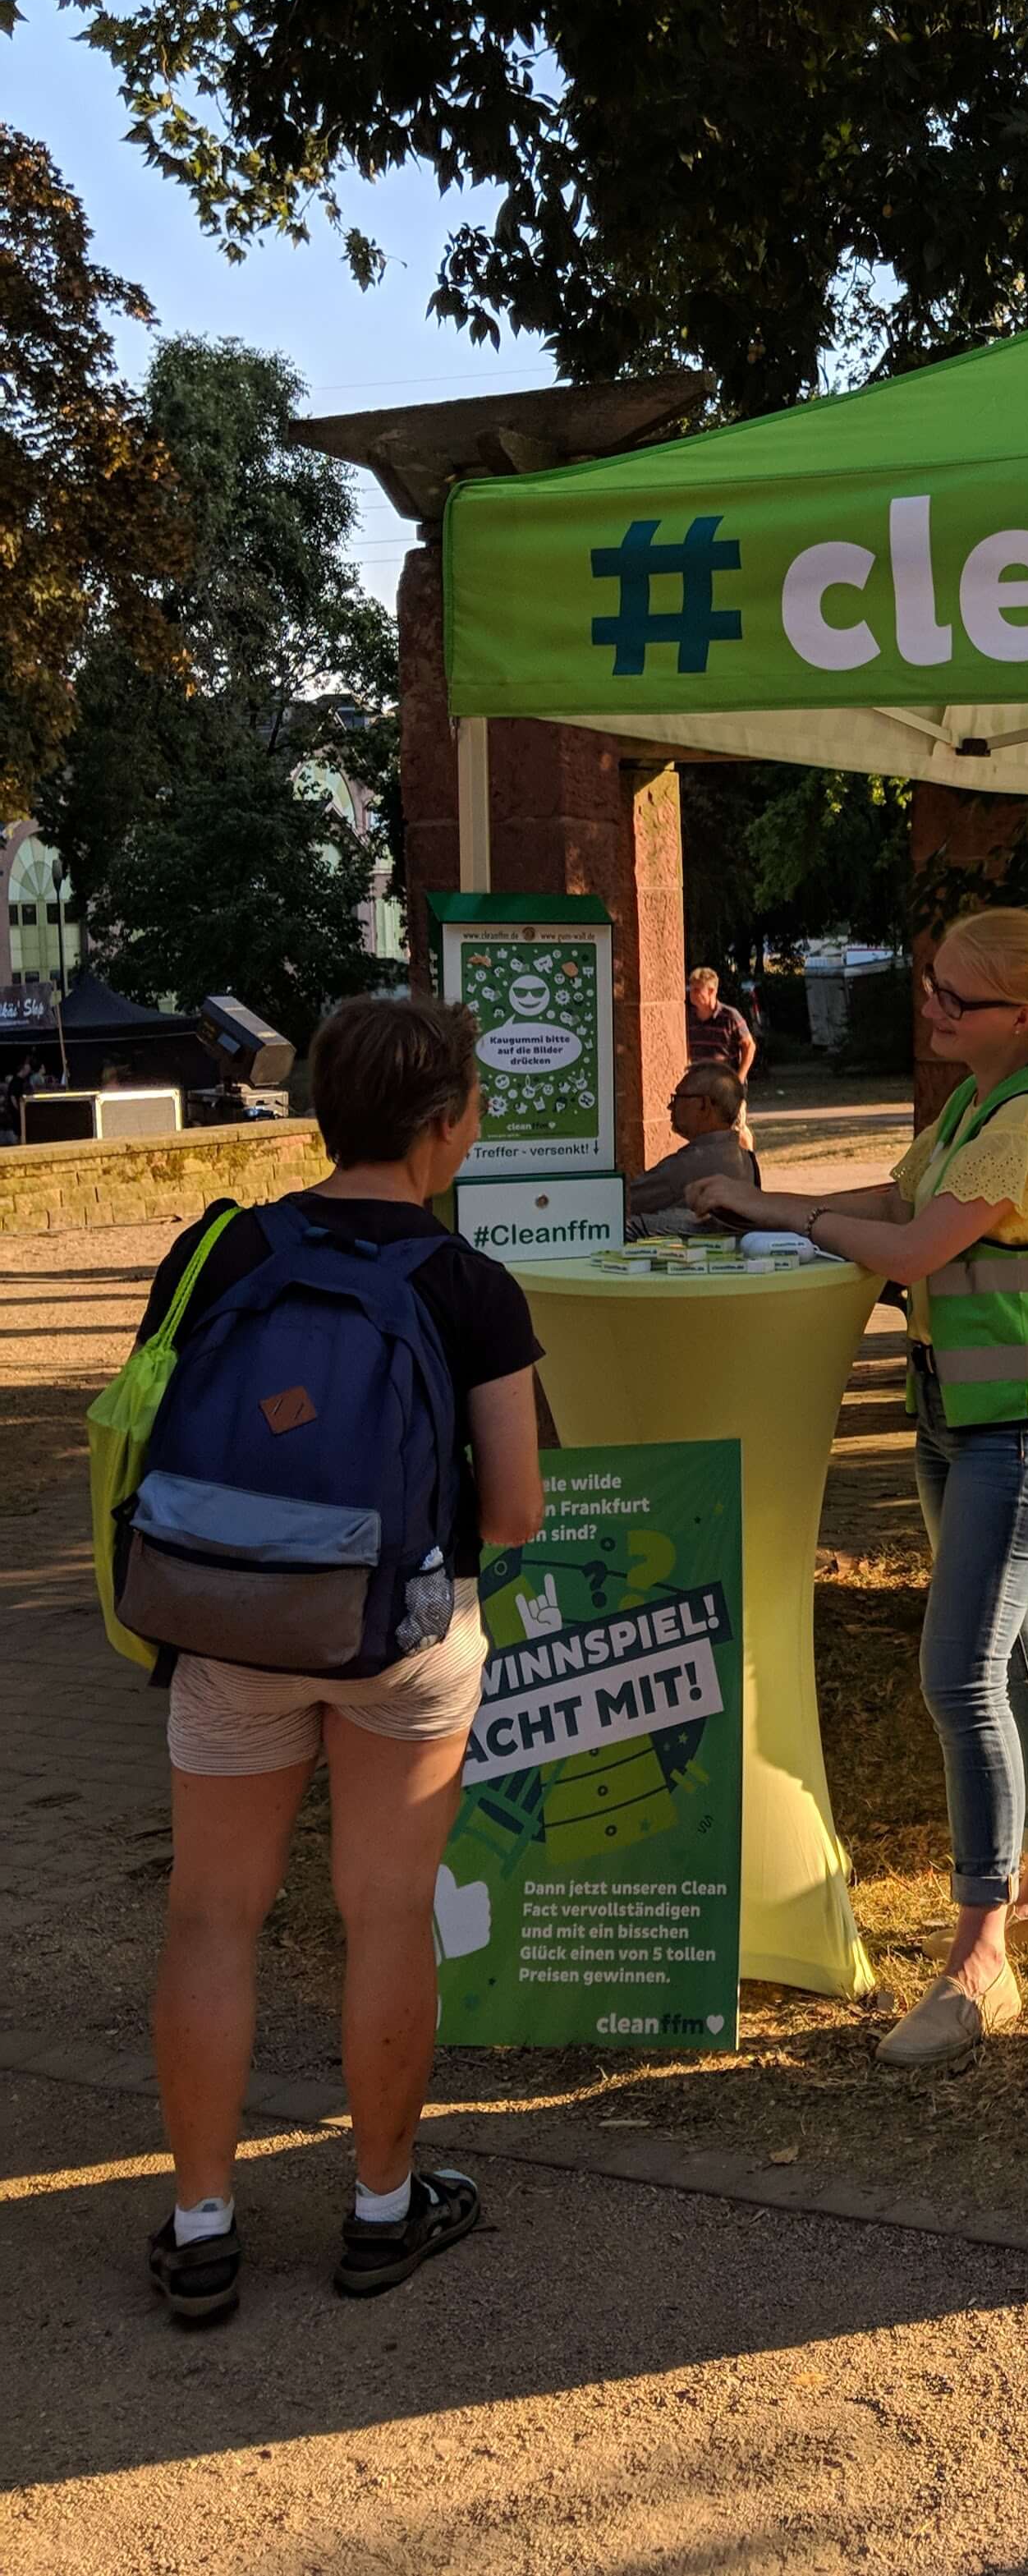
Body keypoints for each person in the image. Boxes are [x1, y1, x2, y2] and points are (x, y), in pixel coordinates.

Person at [135, 993, 544, 2320]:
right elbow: (512, 1515)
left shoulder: (220, 1253)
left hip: (225, 1617)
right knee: (384, 1912)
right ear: (446, 1127)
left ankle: (201, 2225)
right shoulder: (468, 1286)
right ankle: (380, 2207)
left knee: (210, 1915)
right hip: (402, 1640)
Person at [689, 906, 1028, 2072]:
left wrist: (784, 1218)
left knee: (960, 1676)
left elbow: (917, 1249)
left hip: (1013, 1435)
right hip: (965, 1416)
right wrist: (766, 1207)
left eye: (952, 998)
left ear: (1021, 1016)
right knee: (1016, 1654)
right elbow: (895, 1204)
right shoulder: (979, 1102)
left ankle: (983, 1959)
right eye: (929, 984)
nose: (927, 1007)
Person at [626, 1063, 760, 1235]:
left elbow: (620, 1203)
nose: (670, 1107)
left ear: (704, 1105)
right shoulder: (746, 1160)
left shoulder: (688, 1165)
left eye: (678, 1098)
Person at [685, 965, 755, 1081]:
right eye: (691, 989)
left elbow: (749, 1046)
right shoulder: (689, 1018)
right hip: (699, 1082)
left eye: (697, 990)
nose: (692, 994)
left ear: (711, 991)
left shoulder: (730, 1016)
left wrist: (740, 1078)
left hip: (726, 1083)